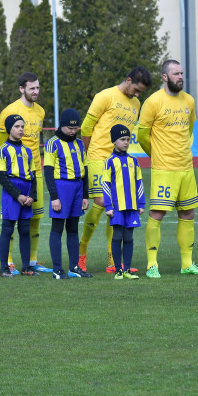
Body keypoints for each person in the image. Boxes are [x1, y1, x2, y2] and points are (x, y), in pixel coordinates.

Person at [137, 60, 198, 278]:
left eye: (182, 73)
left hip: (186, 168)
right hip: (164, 169)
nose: (180, 76)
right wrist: (156, 155)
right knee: (157, 214)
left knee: (188, 213)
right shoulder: (152, 102)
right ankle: (152, 265)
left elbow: (189, 129)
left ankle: (187, 264)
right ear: (165, 77)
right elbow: (142, 135)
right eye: (176, 73)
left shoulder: (189, 101)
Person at [78, 67, 151, 273]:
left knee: (117, 206)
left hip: (120, 161)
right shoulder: (105, 96)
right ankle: (81, 251)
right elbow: (86, 127)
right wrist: (89, 151)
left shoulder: (136, 103)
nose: (138, 95)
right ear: (128, 80)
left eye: (141, 93)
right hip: (98, 157)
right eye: (136, 90)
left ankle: (113, 261)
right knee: (101, 201)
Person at [0, 72, 50, 273]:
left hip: (34, 172)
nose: (36, 91)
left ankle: (32, 262)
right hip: (13, 176)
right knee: (9, 224)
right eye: (32, 88)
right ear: (21, 89)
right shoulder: (9, 111)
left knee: (34, 220)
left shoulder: (40, 112)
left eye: (38, 88)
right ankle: (9, 262)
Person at [43, 109, 91, 279]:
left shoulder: (79, 144)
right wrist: (54, 196)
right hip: (61, 187)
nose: (72, 131)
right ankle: (57, 269)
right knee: (57, 228)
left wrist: (85, 195)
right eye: (69, 128)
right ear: (62, 125)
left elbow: (85, 169)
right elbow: (48, 171)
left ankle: (74, 267)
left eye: (75, 128)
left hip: (77, 187)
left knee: (73, 228)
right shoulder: (53, 143)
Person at [0, 115, 37, 278]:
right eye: (17, 126)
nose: (21, 129)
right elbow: (1, 176)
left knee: (25, 229)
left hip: (26, 191)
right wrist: (18, 195)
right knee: (7, 229)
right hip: (12, 191)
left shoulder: (27, 151)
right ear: (9, 129)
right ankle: (4, 267)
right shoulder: (3, 150)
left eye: (22, 126)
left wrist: (32, 196)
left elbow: (33, 176)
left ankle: (27, 267)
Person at [103, 124, 145, 280]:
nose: (126, 142)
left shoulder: (134, 161)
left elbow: (139, 182)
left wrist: (141, 204)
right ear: (114, 141)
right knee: (117, 237)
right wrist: (108, 206)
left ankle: (127, 269)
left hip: (132, 206)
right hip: (117, 207)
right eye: (122, 139)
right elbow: (105, 184)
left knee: (129, 238)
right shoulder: (109, 161)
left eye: (128, 139)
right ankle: (118, 269)